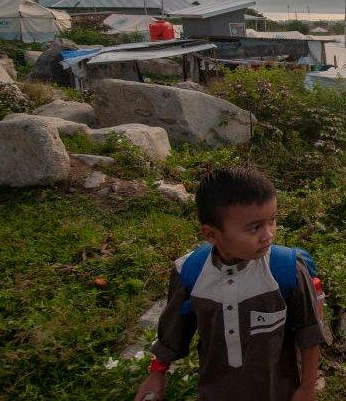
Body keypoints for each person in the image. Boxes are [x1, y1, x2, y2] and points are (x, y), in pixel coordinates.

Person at [134, 167, 324, 401]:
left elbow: (309, 332)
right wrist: (156, 375)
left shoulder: (287, 269)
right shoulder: (190, 273)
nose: (268, 235)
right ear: (212, 234)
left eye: (272, 221)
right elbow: (174, 332)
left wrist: (307, 388)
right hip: (215, 391)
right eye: (255, 227)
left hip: (279, 390)